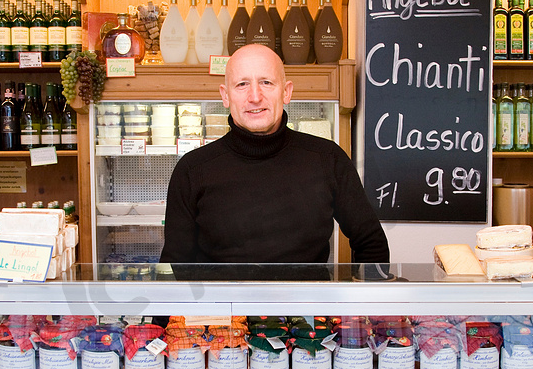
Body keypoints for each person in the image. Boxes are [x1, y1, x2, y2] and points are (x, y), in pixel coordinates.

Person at [161, 44, 390, 267]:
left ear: (286, 91)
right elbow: (174, 265)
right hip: (224, 306)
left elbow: (372, 244)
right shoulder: (193, 169)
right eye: (242, 84)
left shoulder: (327, 159)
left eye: (266, 82)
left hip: (305, 305)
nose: (255, 96)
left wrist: (359, 300)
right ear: (225, 96)